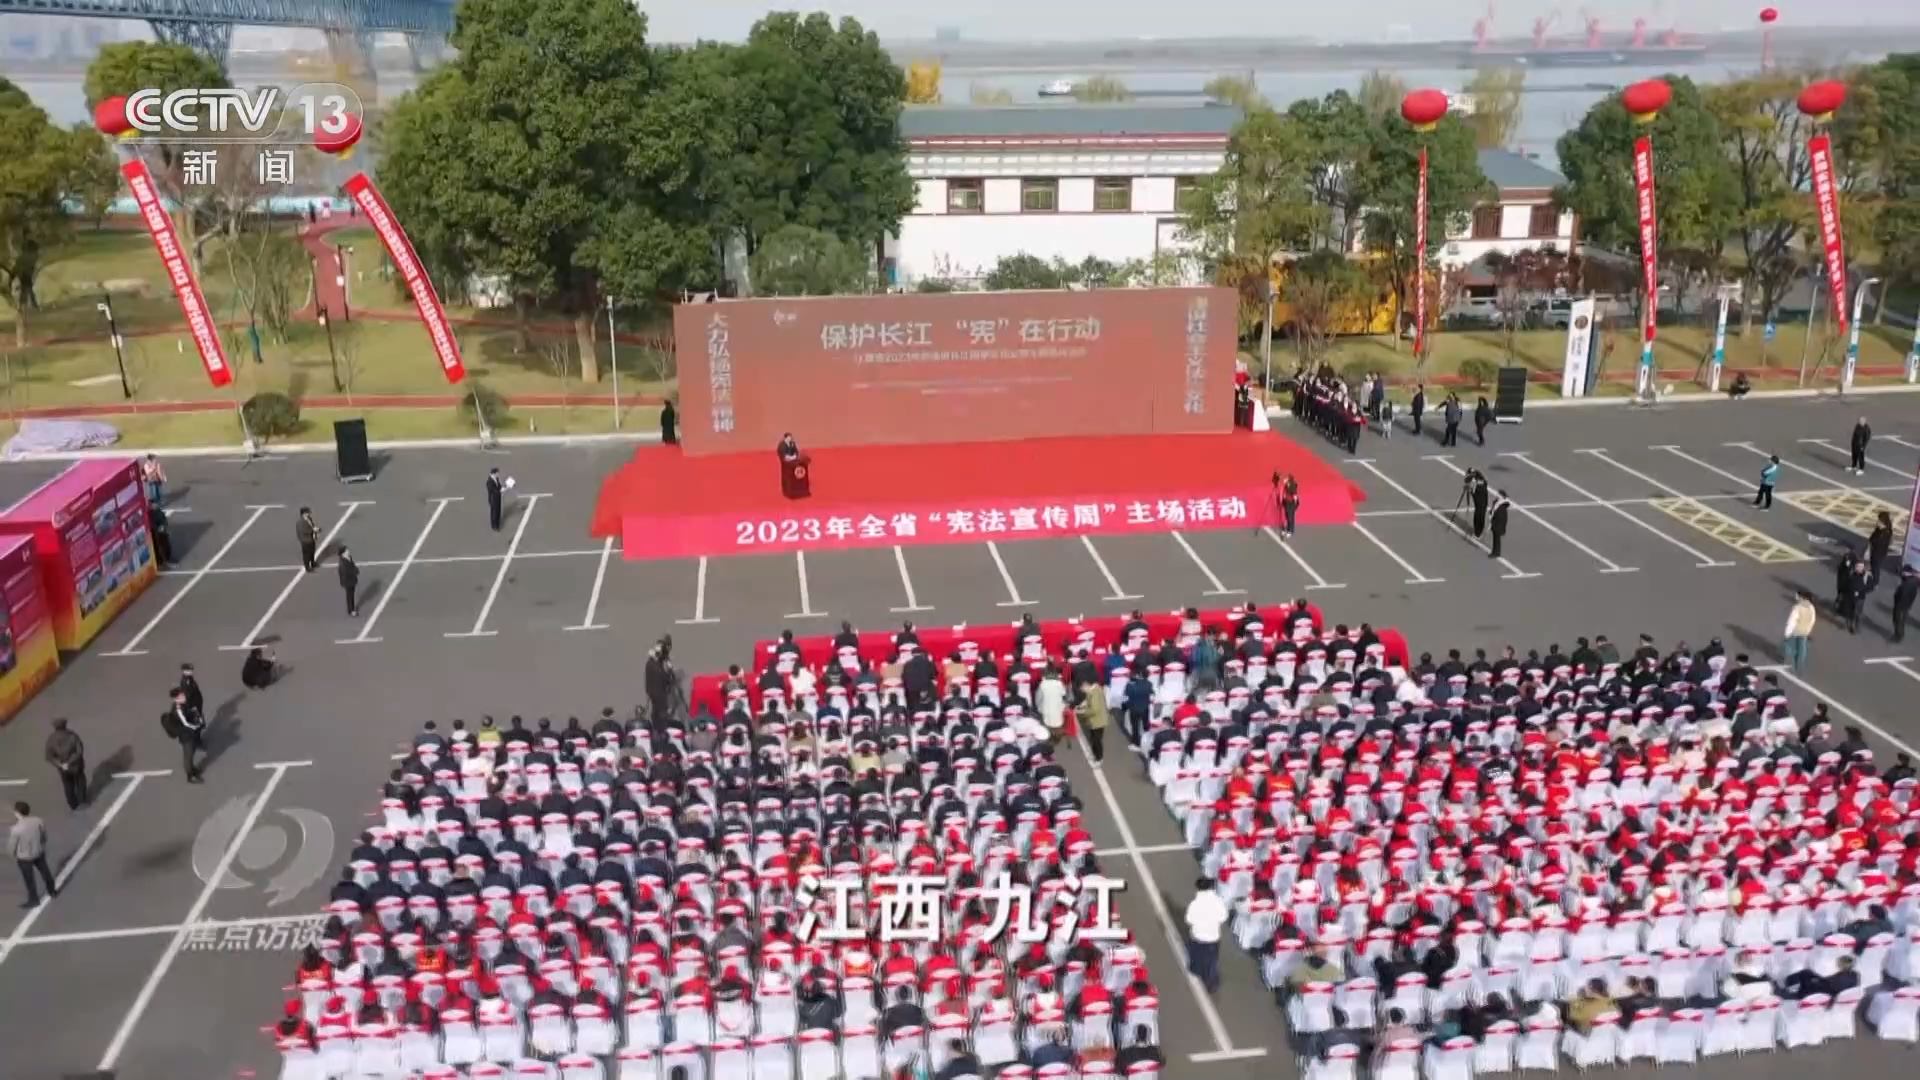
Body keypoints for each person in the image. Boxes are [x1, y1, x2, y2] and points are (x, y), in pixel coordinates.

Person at [1183, 876, 1228, 993]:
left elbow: (1189, 920)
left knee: (1197, 957)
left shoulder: (1195, 903)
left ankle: (1196, 971)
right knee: (1211, 961)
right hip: (1213, 937)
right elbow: (1223, 917)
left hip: (1197, 936)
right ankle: (1211, 983)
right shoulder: (1218, 901)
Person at [10, 802, 56, 908]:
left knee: (29, 879)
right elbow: (44, 836)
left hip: (24, 857)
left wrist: (13, 854)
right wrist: (41, 845)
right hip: (38, 852)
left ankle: (34, 899)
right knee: (46, 872)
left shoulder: (16, 829)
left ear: (17, 813)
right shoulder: (38, 821)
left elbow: (12, 846)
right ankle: (52, 891)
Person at [164, 686, 207, 783]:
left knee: (192, 752)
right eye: (181, 696)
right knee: (188, 755)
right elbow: (186, 723)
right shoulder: (178, 709)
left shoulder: (183, 704)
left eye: (183, 695)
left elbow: (189, 712)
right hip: (186, 735)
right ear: (176, 699)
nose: (184, 697)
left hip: (190, 733)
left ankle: (192, 768)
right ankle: (190, 775)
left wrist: (194, 712)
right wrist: (197, 725)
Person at [44, 719, 86, 810]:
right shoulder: (72, 736)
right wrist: (70, 762)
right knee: (80, 781)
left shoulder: (51, 740)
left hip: (63, 768)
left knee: (68, 785)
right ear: (65, 725)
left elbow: (49, 757)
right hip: (76, 765)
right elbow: (79, 751)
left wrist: (60, 764)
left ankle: (72, 804)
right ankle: (82, 799)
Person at [1075, 678, 1110, 763]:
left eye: (1082, 688)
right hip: (1097, 720)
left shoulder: (1094, 693)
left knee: (1096, 740)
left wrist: (1082, 712)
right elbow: (1088, 701)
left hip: (1098, 721)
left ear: (1085, 685)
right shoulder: (1093, 690)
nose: (1082, 690)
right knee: (1094, 738)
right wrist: (1082, 705)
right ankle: (1096, 754)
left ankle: (1099, 757)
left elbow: (1094, 709)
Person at [1783, 590, 1817, 673]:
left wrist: (1787, 632)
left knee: (1789, 644)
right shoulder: (1811, 607)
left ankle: (1787, 658)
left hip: (1796, 630)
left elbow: (1792, 621)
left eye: (1797, 596)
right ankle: (1799, 666)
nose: (1796, 597)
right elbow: (1812, 620)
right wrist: (1808, 630)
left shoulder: (1797, 607)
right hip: (1805, 631)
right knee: (1802, 649)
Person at [1868, 511, 1894, 586]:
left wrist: (1871, 542)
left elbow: (1875, 541)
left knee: (1875, 567)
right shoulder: (1881, 529)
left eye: (1879, 521)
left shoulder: (1884, 534)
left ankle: (1875, 582)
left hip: (1878, 554)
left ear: (1883, 522)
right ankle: (1873, 575)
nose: (1877, 522)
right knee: (1874, 566)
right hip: (1878, 552)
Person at [1893, 566, 1918, 644]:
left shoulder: (1908, 583)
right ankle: (1899, 634)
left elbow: (1902, 595)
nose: (1902, 573)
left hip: (1901, 605)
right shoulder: (1912, 580)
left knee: (1898, 620)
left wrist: (1898, 591)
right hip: (1906, 605)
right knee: (1900, 620)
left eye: (1903, 572)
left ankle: (1898, 636)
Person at [1488, 490, 1511, 560]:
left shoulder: (1502, 506)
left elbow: (1502, 517)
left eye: (1498, 494)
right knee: (1495, 539)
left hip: (1498, 524)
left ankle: (1496, 553)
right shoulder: (1497, 502)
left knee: (1497, 539)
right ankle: (1494, 551)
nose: (1496, 495)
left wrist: (1494, 522)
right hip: (1495, 522)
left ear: (1501, 496)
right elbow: (1493, 510)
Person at [296, 507, 321, 572]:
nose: (309, 513)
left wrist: (315, 529)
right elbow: (304, 531)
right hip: (305, 540)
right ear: (304, 513)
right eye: (308, 512)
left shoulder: (309, 519)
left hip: (311, 539)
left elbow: (312, 525)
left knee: (312, 552)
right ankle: (307, 567)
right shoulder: (300, 522)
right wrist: (314, 530)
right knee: (307, 554)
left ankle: (312, 563)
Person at [338, 546, 360, 617]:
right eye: (346, 550)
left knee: (352, 595)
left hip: (351, 579)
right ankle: (351, 610)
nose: (348, 551)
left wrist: (355, 569)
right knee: (349, 596)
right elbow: (346, 572)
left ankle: (352, 608)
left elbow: (352, 565)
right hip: (347, 581)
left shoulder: (349, 557)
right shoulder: (343, 563)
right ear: (343, 553)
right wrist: (355, 571)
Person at [1469, 469, 1491, 538]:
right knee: (1480, 518)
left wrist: (1471, 492)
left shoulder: (1478, 488)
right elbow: (1482, 478)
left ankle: (1477, 533)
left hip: (1479, 505)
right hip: (1483, 504)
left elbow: (1476, 498)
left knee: (1478, 519)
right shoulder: (1484, 483)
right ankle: (1478, 532)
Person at [1280, 474, 1301, 538]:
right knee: (1287, 517)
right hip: (1286, 503)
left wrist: (1295, 505)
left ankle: (1290, 531)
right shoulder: (1287, 485)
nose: (1285, 480)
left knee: (1290, 518)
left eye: (1287, 479)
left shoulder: (1292, 486)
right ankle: (1287, 528)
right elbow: (1284, 493)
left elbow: (1295, 496)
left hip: (1291, 504)